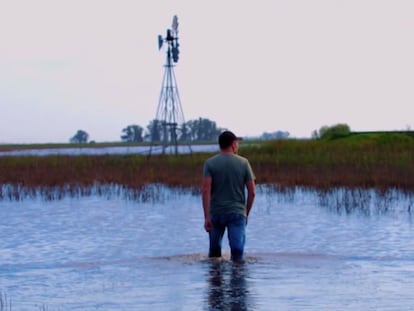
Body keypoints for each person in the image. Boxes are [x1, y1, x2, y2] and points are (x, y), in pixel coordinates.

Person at [202, 130, 256, 261]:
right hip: (237, 213)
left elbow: (205, 190)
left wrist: (207, 217)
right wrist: (246, 213)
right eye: (237, 143)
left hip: (216, 213)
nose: (237, 145)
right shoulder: (244, 163)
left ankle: (215, 279)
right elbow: (252, 192)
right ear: (233, 144)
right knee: (237, 253)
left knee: (214, 254)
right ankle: (237, 278)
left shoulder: (209, 163)